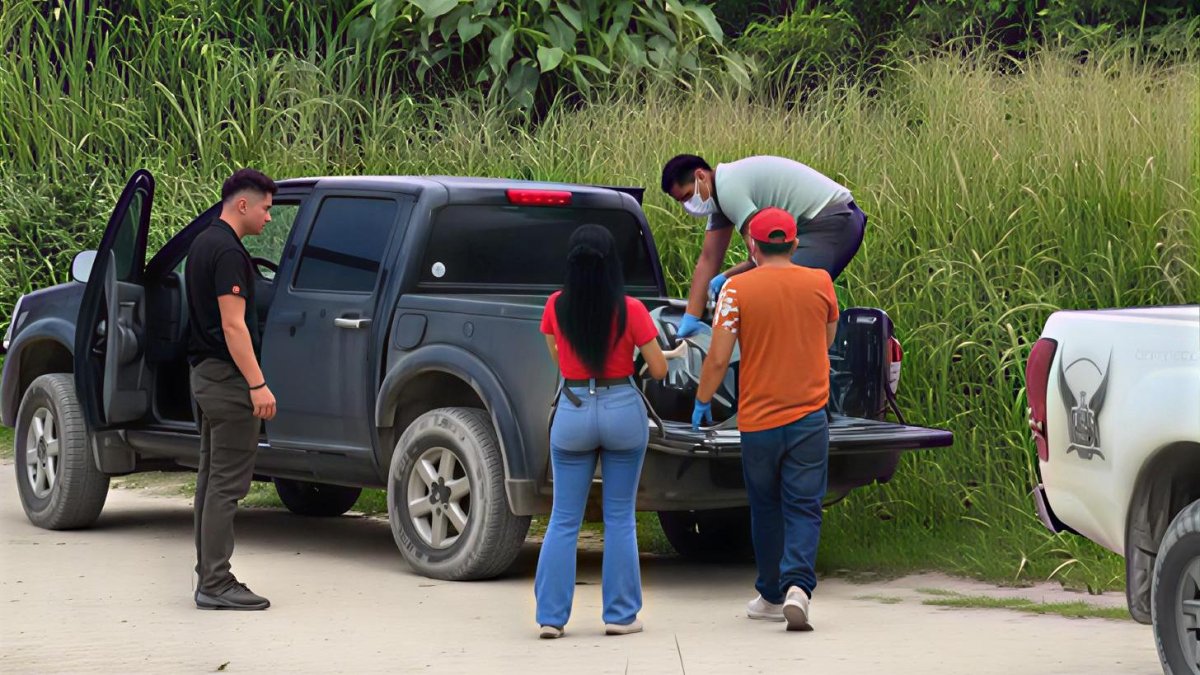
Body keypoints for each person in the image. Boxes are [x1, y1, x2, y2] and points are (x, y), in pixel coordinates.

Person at [691, 207, 840, 632]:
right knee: (804, 506)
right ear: (793, 244)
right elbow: (826, 338)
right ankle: (798, 588)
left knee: (767, 507)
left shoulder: (736, 290)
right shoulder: (821, 283)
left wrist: (702, 402)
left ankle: (771, 592)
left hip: (757, 421)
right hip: (810, 417)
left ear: (752, 247)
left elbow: (718, 357)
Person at [534, 224, 668, 639]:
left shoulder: (556, 306)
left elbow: (558, 357)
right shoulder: (632, 309)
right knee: (620, 517)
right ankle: (620, 616)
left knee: (563, 519)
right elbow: (659, 368)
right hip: (622, 410)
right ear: (611, 263)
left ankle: (552, 619)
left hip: (573, 411)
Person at [186, 168, 278, 611]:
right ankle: (216, 583)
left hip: (204, 375)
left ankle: (208, 575)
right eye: (265, 208)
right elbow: (233, 325)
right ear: (242, 204)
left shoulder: (202, 242)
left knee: (210, 480)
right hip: (227, 380)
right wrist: (257, 384)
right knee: (226, 485)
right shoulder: (227, 252)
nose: (268, 218)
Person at [660, 154, 864, 338]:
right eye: (682, 201)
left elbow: (764, 257)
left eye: (687, 196)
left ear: (701, 176)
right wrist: (691, 317)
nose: (688, 205)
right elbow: (708, 259)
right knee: (781, 302)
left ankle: (810, 370)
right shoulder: (720, 198)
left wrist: (730, 282)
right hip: (828, 221)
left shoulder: (728, 188)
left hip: (831, 222)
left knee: (781, 300)